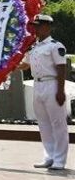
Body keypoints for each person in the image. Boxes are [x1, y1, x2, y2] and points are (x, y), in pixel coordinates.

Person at [18, 14, 69, 171]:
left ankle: (60, 159)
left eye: (38, 26)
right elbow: (25, 65)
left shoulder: (55, 46)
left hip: (52, 84)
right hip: (38, 85)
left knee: (58, 123)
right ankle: (49, 156)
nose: (35, 29)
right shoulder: (34, 47)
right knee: (43, 123)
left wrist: (61, 91)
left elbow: (61, 68)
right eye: (34, 26)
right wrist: (9, 65)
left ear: (47, 27)